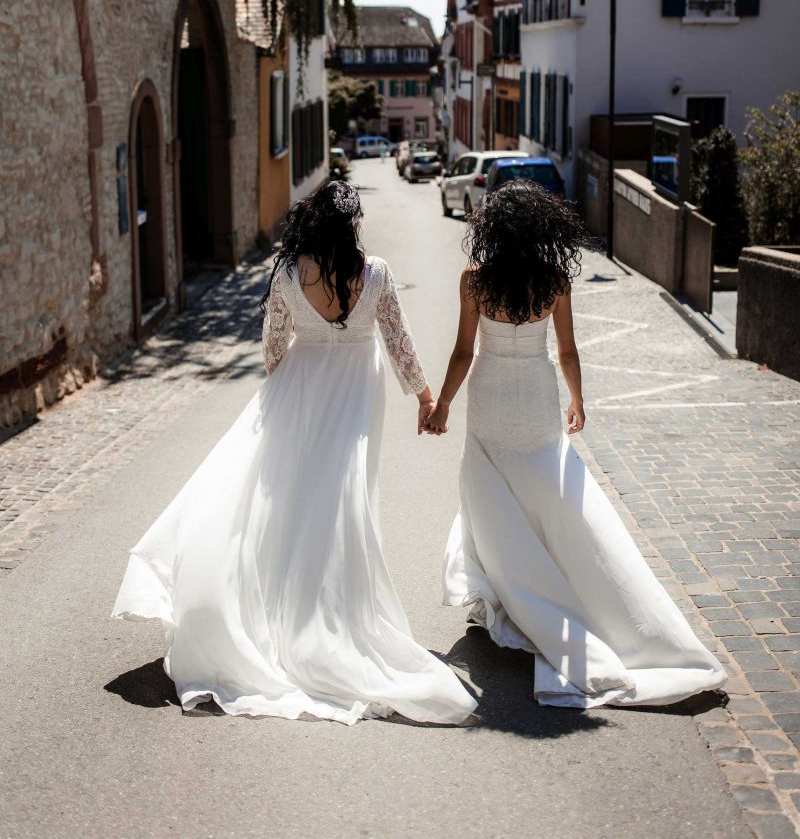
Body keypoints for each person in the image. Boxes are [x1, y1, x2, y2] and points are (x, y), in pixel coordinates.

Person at [112, 180, 476, 726]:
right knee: (342, 500)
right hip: (356, 393)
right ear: (352, 224)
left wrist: (290, 393)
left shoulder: (287, 271)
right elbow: (398, 339)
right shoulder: (374, 271)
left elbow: (273, 345)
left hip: (301, 387)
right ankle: (329, 615)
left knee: (292, 498)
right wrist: (425, 397)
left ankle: (279, 611)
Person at [426, 181, 726, 709]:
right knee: (544, 489)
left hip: (492, 395)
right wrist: (577, 400)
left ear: (492, 230)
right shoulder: (555, 279)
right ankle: (536, 586)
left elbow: (461, 352)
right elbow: (567, 351)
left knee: (491, 493)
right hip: (539, 395)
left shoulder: (474, 281)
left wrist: (444, 404)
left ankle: (503, 593)